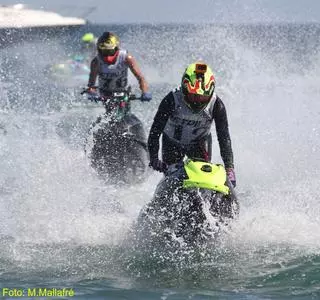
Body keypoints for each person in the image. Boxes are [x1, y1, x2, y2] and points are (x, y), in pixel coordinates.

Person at [147, 62, 236, 187]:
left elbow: (224, 137)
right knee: (173, 178)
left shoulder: (217, 105)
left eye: (202, 97)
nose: (197, 101)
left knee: (202, 178)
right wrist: (154, 158)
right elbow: (155, 132)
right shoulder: (171, 100)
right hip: (172, 143)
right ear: (184, 89)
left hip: (199, 144)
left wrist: (229, 168)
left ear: (210, 92)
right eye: (193, 96)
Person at [86, 31, 152, 101]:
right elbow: (91, 85)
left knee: (124, 107)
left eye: (110, 51)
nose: (107, 56)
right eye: (104, 51)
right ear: (99, 50)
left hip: (123, 92)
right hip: (105, 93)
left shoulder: (126, 58)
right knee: (110, 110)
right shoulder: (96, 62)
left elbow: (140, 78)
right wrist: (92, 93)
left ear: (116, 48)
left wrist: (145, 92)